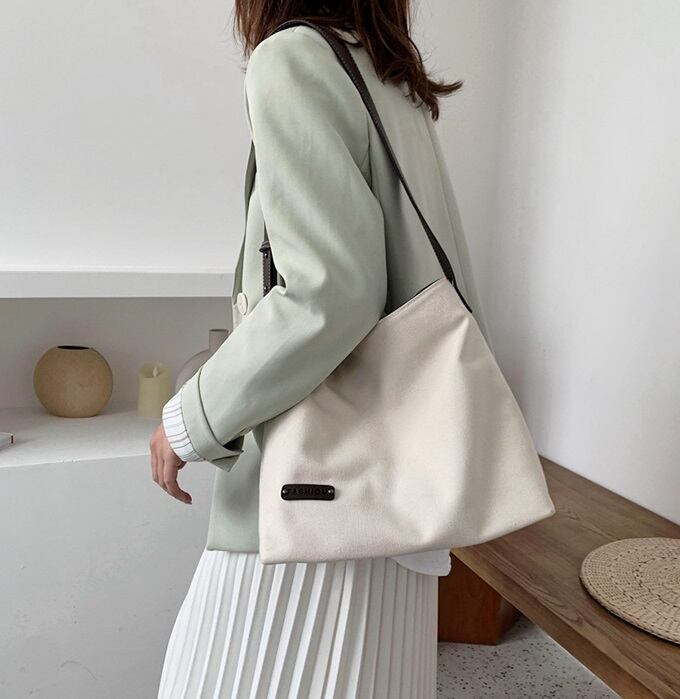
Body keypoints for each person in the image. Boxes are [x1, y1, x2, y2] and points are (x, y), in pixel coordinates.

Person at [152, 2, 492, 696]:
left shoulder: (294, 59)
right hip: (400, 491)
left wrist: (189, 419)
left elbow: (329, 292)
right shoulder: (392, 78)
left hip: (311, 502)